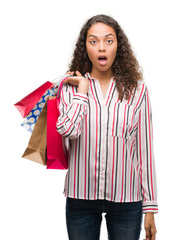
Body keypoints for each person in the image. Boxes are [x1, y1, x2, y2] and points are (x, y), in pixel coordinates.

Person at [56, 14, 158, 240]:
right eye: (93, 41)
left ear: (118, 46)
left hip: (127, 199)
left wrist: (150, 207)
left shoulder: (137, 91)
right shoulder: (70, 87)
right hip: (80, 196)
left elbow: (144, 151)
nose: (101, 47)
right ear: (85, 48)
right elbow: (68, 130)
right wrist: (82, 91)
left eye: (108, 40)